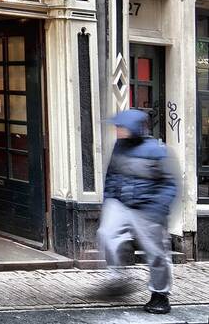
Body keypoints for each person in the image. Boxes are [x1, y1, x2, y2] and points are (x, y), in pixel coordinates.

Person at [97, 109, 179, 314]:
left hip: (148, 208)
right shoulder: (119, 146)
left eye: (121, 127)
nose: (117, 131)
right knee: (106, 234)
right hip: (121, 204)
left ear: (133, 128)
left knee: (157, 253)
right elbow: (112, 175)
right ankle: (118, 277)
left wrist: (157, 209)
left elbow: (169, 184)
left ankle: (160, 295)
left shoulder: (157, 150)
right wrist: (109, 200)